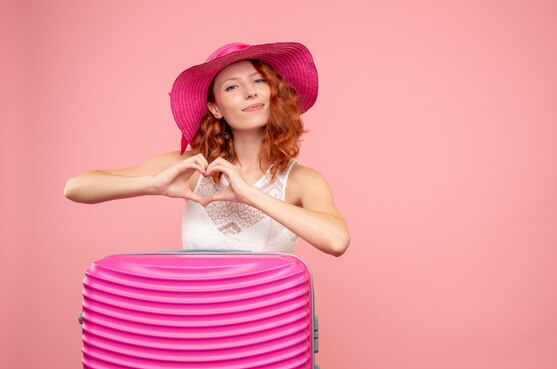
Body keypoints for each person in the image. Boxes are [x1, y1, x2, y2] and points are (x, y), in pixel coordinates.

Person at [64, 42, 350, 256]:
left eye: (258, 80)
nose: (250, 91)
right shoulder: (193, 168)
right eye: (231, 87)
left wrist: (249, 195)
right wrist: (153, 185)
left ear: (273, 94)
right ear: (215, 108)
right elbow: (76, 187)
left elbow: (337, 241)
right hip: (198, 328)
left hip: (267, 332)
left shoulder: (302, 180)